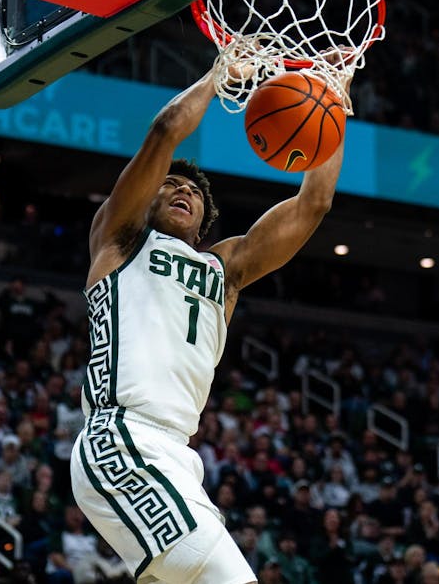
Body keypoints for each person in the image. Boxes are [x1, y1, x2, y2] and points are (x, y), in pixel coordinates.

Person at [69, 59, 347, 584]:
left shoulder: (226, 270)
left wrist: (332, 101)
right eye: (170, 185)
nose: (182, 192)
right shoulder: (120, 241)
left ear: (203, 222)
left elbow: (315, 203)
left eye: (194, 193)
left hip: (178, 459)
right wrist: (223, 73)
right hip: (122, 438)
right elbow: (167, 129)